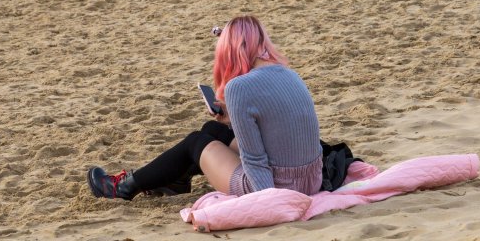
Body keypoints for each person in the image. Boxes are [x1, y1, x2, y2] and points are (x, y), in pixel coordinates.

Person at [87, 15, 323, 200]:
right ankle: (176, 180)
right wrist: (232, 119)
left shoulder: (239, 87)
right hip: (310, 179)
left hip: (276, 185)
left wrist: (266, 198)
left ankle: (123, 188)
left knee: (195, 142)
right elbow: (274, 127)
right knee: (213, 129)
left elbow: (255, 158)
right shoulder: (289, 74)